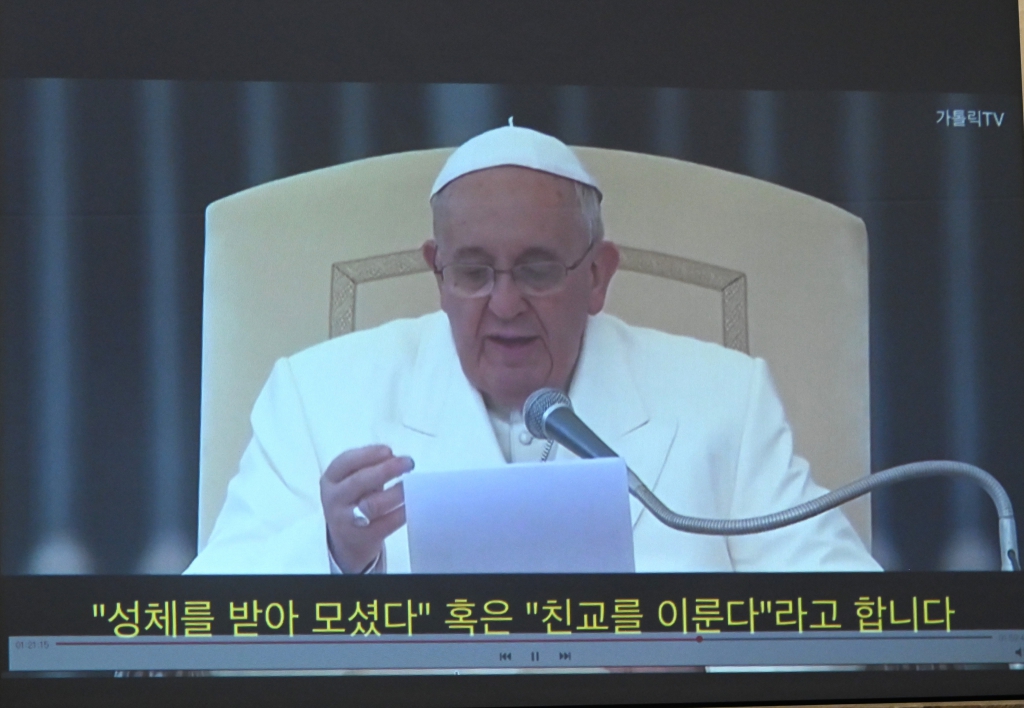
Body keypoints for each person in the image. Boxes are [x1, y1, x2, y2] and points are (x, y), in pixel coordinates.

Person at [185, 124, 880, 575]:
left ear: (598, 275)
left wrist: (697, 661)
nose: (506, 304)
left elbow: (851, 617)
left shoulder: (725, 398)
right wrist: (334, 554)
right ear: (437, 271)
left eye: (539, 270)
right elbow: (204, 628)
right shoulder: (317, 395)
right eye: (473, 272)